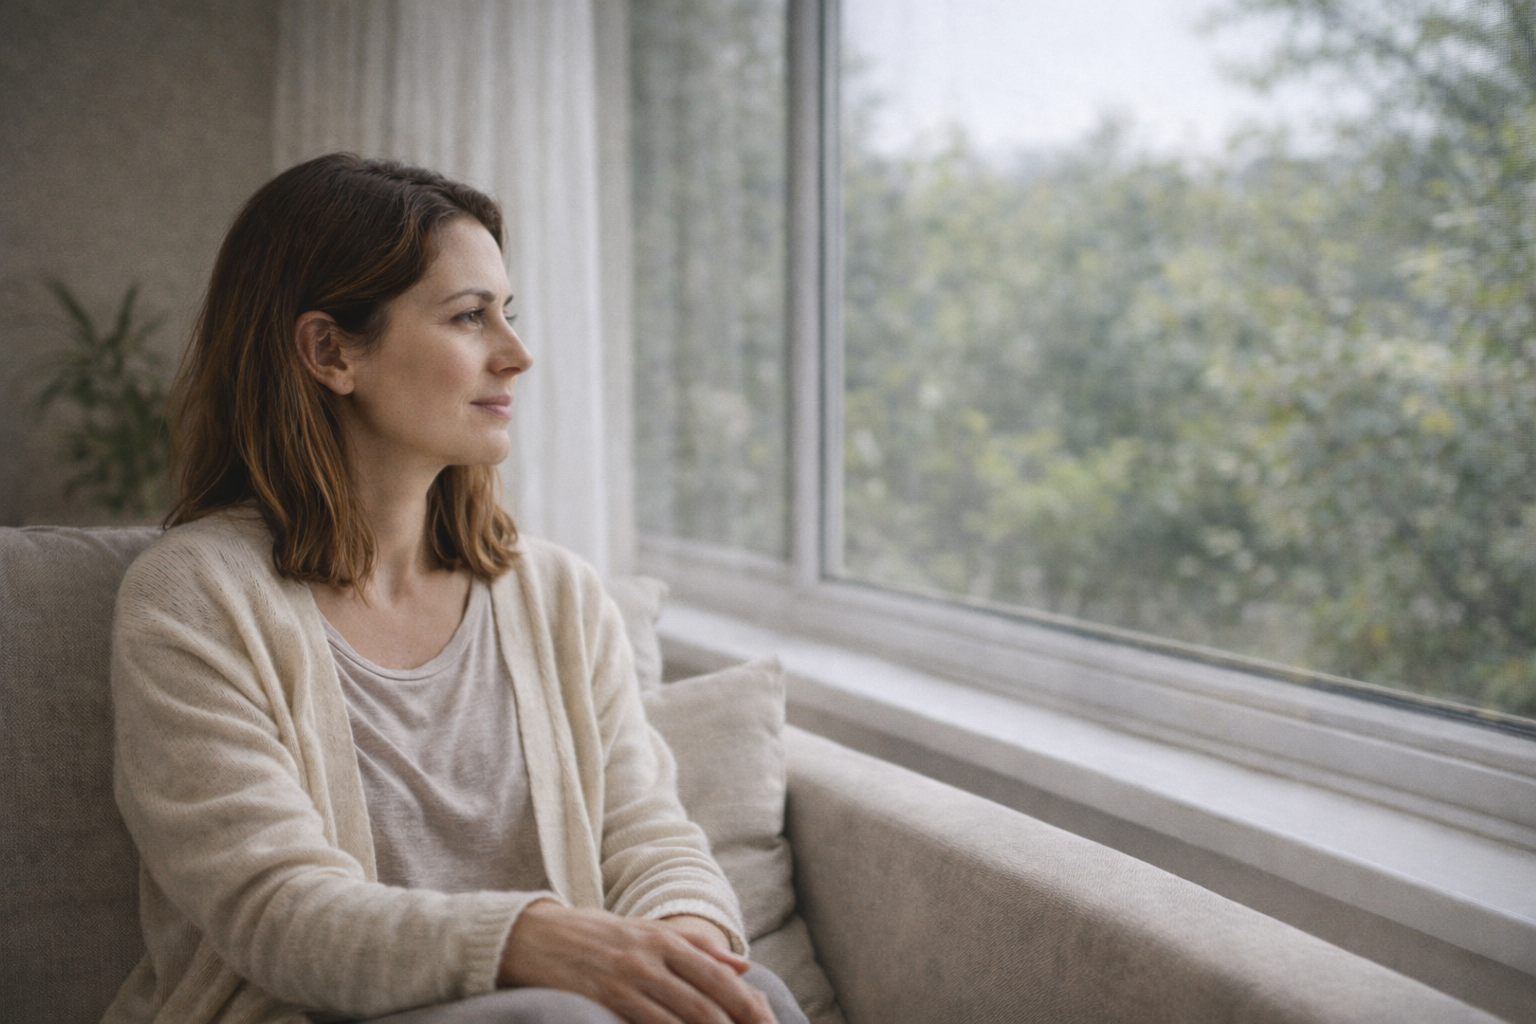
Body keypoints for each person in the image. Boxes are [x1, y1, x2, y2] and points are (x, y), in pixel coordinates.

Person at [104, 153, 806, 1024]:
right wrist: (531, 941)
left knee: (752, 992)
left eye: (507, 313)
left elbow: (648, 835)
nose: (517, 354)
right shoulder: (193, 597)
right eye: (471, 317)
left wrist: (683, 947)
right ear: (329, 352)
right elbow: (275, 910)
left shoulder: (557, 595)